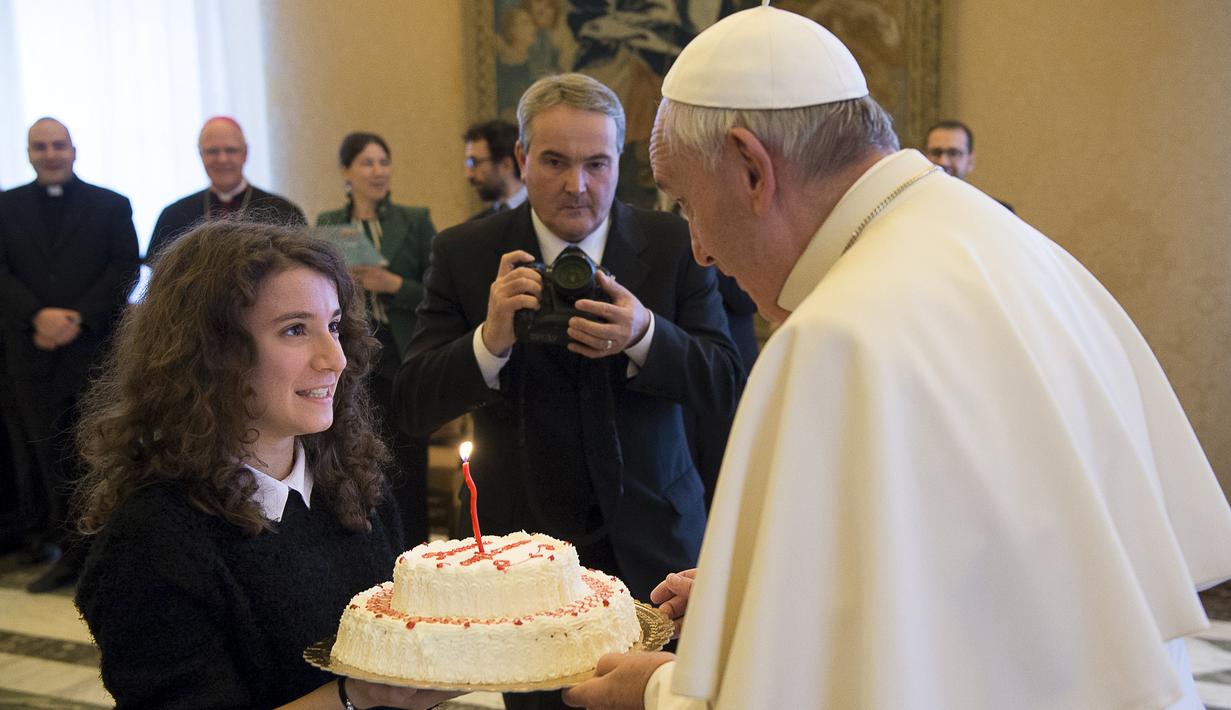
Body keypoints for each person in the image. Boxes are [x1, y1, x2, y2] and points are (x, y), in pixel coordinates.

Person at [562, 6, 1231, 710]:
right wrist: (770, 592)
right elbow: (976, 564)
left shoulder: (836, 337)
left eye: (687, 203)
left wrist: (661, 690)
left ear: (751, 169)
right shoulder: (1003, 242)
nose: (697, 247)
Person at [396, 73, 744, 710]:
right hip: (522, 566)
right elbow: (413, 403)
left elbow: (725, 382)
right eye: (554, 161)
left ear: (620, 165)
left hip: (656, 547)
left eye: (596, 163)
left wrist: (645, 335)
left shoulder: (675, 244)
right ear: (523, 160)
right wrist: (488, 341)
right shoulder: (466, 252)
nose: (576, 185)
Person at [72, 221, 456, 709]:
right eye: (295, 329)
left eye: (334, 325)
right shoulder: (150, 539)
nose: (335, 358)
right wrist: (356, 697)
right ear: (212, 354)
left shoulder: (350, 480)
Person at [0, 117, 140, 592]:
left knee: (97, 459)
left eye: (59, 145)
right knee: (47, 461)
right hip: (32, 359)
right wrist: (37, 316)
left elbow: (125, 269)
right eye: (41, 147)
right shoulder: (5, 207)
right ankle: (63, 554)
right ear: (29, 153)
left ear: (74, 150)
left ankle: (102, 554)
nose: (51, 153)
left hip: (93, 359)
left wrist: (74, 318)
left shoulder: (110, 205)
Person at [316, 131, 436, 547]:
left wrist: (394, 284)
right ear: (346, 171)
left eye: (383, 162)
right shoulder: (329, 225)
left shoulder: (415, 220)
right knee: (358, 456)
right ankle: (369, 545)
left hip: (404, 353)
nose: (378, 171)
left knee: (409, 460)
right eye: (367, 163)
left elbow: (437, 294)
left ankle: (416, 548)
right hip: (352, 355)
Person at [148, 116, 305, 259]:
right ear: (201, 155)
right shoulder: (174, 215)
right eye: (212, 151)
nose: (222, 159)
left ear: (245, 154)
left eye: (231, 150)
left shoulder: (282, 210)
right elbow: (157, 271)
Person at [925, 119, 1014, 211]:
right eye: (936, 153)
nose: (943, 162)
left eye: (954, 153)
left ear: (970, 161)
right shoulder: (910, 208)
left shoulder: (998, 212)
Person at [464, 119, 527, 220]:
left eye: (474, 163)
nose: (469, 175)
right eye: (468, 163)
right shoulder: (475, 226)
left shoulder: (541, 216)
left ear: (506, 165)